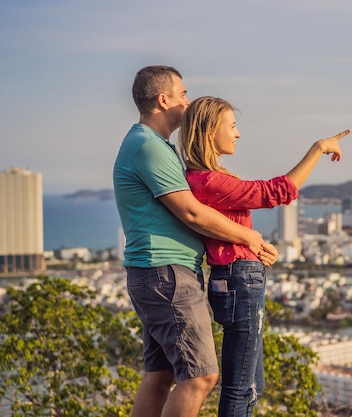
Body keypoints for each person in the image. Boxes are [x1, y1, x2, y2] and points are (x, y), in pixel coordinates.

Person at [113, 66, 278, 417]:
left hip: (152, 272)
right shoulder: (149, 148)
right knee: (202, 375)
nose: (188, 100)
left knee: (160, 375)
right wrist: (250, 237)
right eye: (183, 93)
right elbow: (192, 213)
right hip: (167, 274)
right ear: (163, 99)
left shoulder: (152, 145)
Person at [177, 95, 350, 417]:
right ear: (209, 131)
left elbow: (223, 230)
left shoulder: (202, 179)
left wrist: (253, 248)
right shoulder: (209, 181)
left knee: (253, 384)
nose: (238, 133)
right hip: (238, 280)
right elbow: (277, 192)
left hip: (237, 275)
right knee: (241, 388)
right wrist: (317, 149)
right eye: (231, 125)